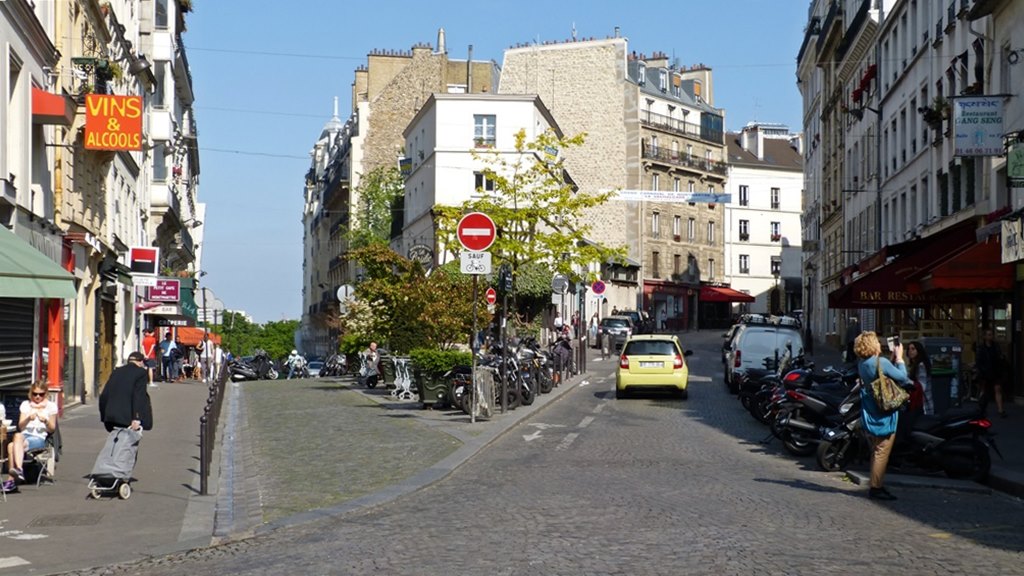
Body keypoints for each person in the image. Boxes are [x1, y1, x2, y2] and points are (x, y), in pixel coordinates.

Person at [854, 331, 909, 501]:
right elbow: (902, 377)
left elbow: (881, 373)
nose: (879, 343)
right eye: (877, 341)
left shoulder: (862, 363)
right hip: (883, 411)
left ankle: (875, 483)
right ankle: (876, 487)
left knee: (876, 449)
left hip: (870, 408)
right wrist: (899, 358)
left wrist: (890, 360)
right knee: (882, 450)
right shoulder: (881, 362)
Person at [3, 381, 58, 493]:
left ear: (46, 394)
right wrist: (28, 418)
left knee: (10, 446)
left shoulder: (51, 407)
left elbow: (52, 429)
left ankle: (11, 480)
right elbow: (21, 426)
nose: (37, 397)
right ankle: (19, 470)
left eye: (41, 394)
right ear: (30, 393)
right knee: (18, 435)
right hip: (24, 436)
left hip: (38, 438)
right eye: (35, 394)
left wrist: (46, 421)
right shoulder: (25, 405)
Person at [99, 351, 153, 433]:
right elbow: (139, 396)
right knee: (126, 444)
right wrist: (137, 418)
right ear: (141, 362)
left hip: (110, 417)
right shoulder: (141, 373)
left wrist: (104, 415)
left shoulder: (117, 371)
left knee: (115, 442)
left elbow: (104, 395)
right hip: (127, 418)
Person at [975, 328, 1006, 418]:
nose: (990, 336)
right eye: (988, 335)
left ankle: (1000, 410)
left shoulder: (996, 346)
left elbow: (999, 357)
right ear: (984, 337)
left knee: (997, 388)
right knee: (984, 390)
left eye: (991, 334)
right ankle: (981, 407)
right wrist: (981, 370)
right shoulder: (981, 348)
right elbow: (979, 361)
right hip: (985, 371)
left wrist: (1001, 361)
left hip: (995, 371)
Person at [906, 340, 933, 416]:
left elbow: (922, 386)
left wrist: (907, 381)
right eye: (909, 349)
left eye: (913, 349)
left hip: (923, 404)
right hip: (919, 402)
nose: (910, 351)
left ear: (919, 350)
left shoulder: (921, 365)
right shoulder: (913, 365)